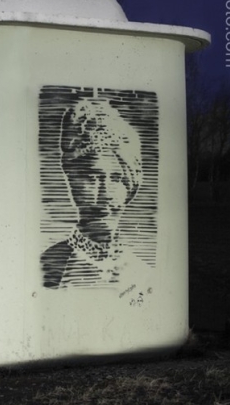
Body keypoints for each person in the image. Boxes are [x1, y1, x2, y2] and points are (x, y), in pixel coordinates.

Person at [41, 97, 151, 289]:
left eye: (116, 179)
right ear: (72, 179)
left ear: (130, 186)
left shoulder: (144, 275)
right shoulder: (48, 269)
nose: (105, 193)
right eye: (92, 177)